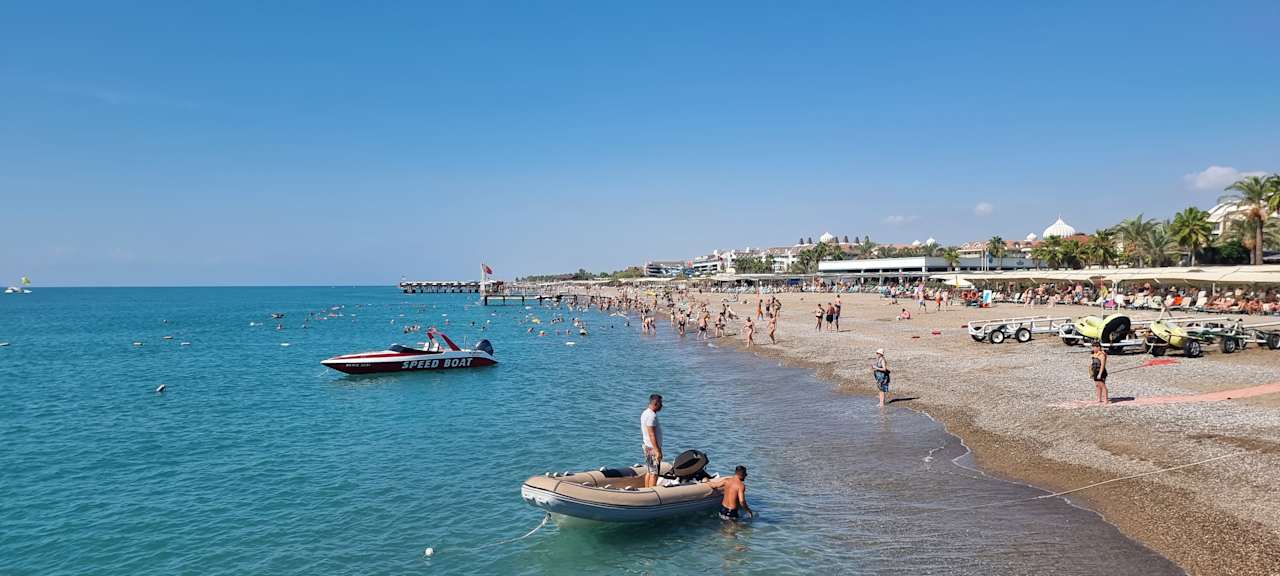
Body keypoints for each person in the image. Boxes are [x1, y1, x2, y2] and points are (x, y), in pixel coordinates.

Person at [641, 394, 664, 487]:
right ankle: (651, 492)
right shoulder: (651, 416)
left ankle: (647, 490)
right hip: (652, 449)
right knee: (654, 473)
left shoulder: (645, 413)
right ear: (656, 403)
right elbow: (652, 434)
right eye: (660, 403)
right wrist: (657, 450)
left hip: (647, 447)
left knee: (649, 471)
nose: (662, 405)